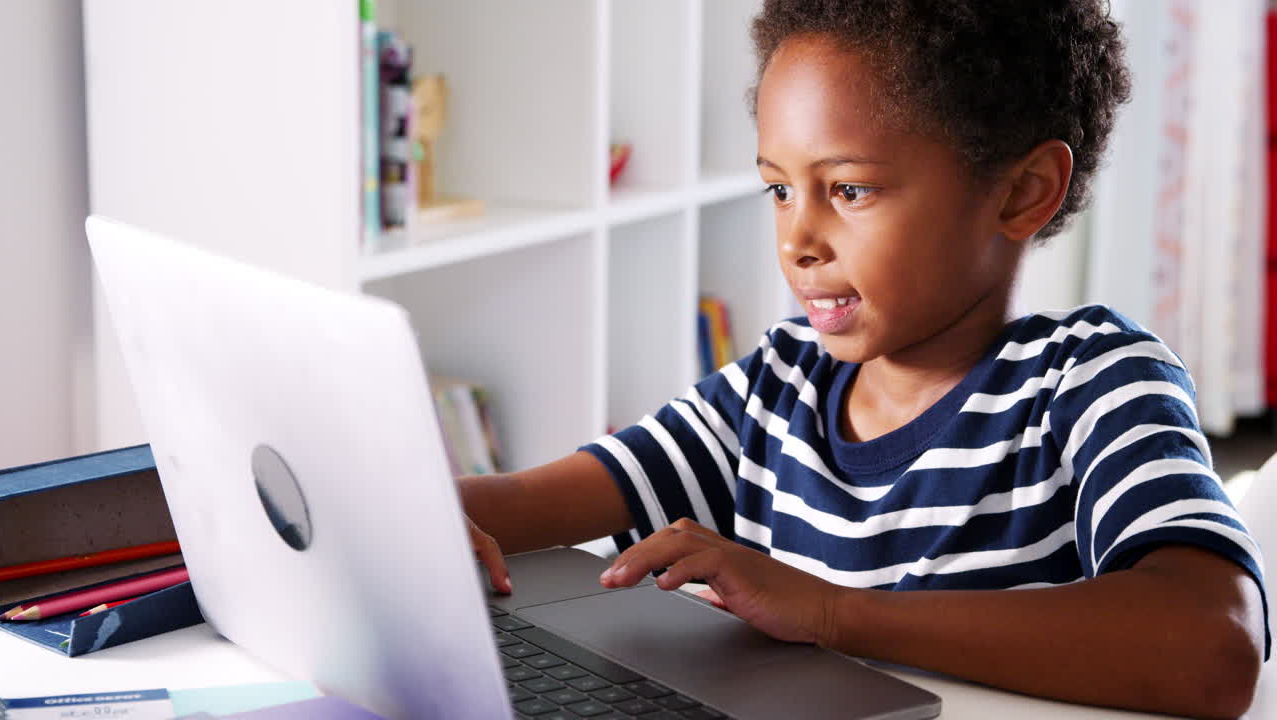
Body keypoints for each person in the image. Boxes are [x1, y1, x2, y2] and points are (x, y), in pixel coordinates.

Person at [460, 1, 1270, 716]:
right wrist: (430, 521)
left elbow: (1214, 646)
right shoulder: (777, 390)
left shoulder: (1091, 380)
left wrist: (831, 611)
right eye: (779, 190)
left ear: (1022, 192)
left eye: (849, 190)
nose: (797, 241)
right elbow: (527, 503)